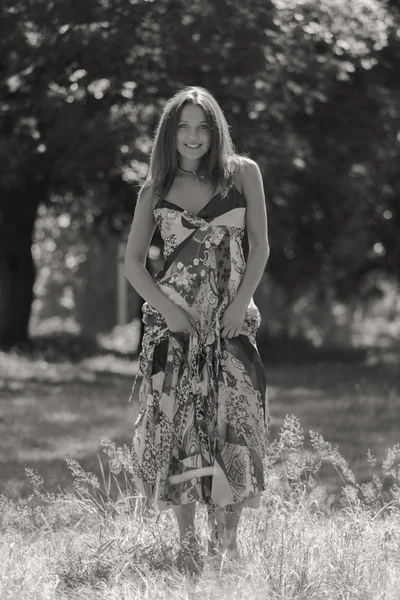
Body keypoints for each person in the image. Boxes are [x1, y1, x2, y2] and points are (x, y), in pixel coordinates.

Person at [124, 85, 270, 571]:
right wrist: (167, 311)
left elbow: (260, 247)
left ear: (215, 130)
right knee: (178, 427)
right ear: (170, 132)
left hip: (230, 324)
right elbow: (133, 265)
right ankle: (188, 544)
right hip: (176, 328)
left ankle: (227, 546)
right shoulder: (156, 188)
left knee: (232, 423)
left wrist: (241, 303)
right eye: (183, 126)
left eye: (202, 126)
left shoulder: (243, 174)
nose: (192, 136)